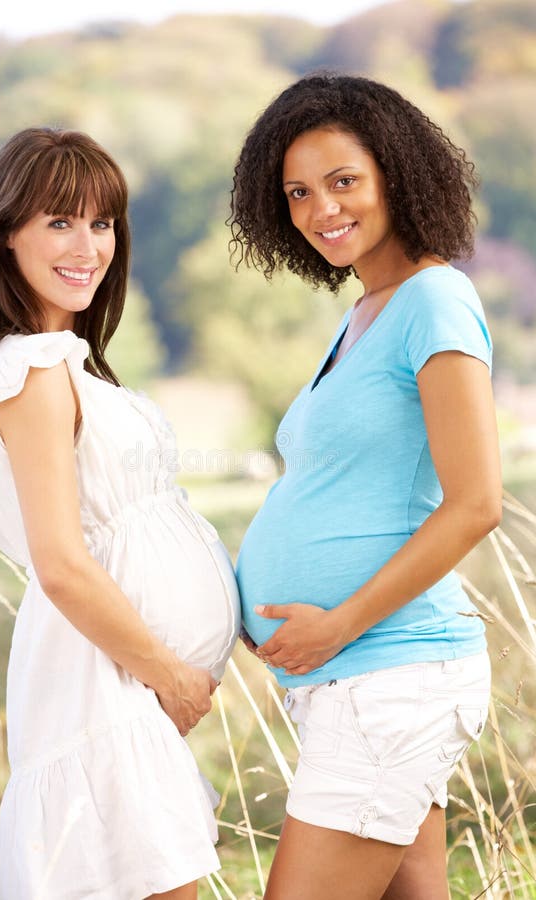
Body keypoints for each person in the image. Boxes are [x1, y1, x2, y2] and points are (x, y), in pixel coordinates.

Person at [0, 127, 240, 900]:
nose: (87, 245)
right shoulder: (31, 370)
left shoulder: (62, 360)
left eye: (101, 222)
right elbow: (63, 565)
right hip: (97, 682)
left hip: (120, 683)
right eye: (59, 221)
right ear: (6, 235)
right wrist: (171, 674)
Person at [229, 72, 501, 899]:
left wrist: (336, 625)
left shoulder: (435, 300)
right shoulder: (365, 312)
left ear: (397, 173)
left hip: (391, 672)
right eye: (299, 192)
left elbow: (476, 503)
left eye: (344, 181)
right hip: (349, 678)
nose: (322, 210)